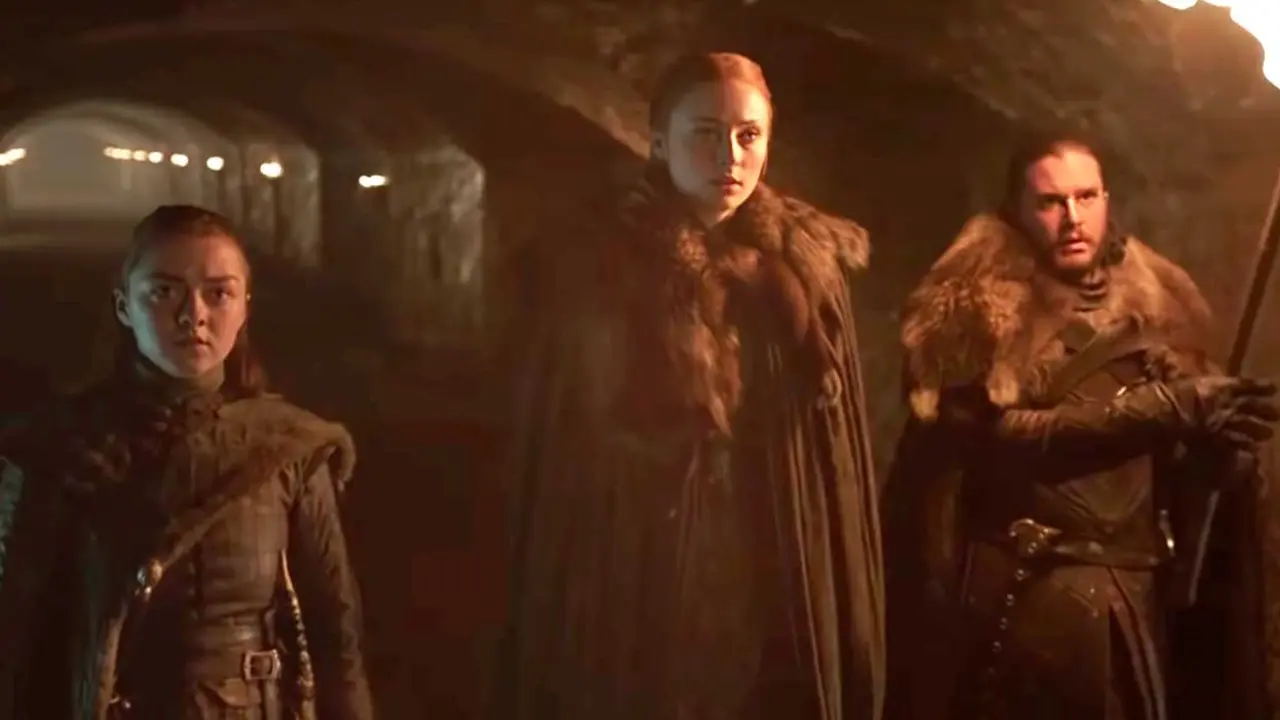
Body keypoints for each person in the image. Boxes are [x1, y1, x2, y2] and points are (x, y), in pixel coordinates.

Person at [496, 51, 885, 720]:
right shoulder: (596, 265)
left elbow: (830, 459)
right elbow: (565, 439)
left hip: (774, 550)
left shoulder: (806, 271)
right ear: (658, 142)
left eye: (748, 135)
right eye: (705, 133)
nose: (729, 156)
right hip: (635, 558)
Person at [881, 132, 1279, 719]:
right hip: (1022, 601)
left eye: (1086, 197)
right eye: (1050, 202)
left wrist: (1216, 456)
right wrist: (1164, 409)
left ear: (1106, 200)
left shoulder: (1160, 311)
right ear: (1017, 211)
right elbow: (996, 438)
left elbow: (1175, 478)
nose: (1072, 218)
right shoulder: (973, 310)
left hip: (1133, 602)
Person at [0, 205, 375, 719]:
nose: (193, 314)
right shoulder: (63, 448)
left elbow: (335, 636)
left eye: (218, 293)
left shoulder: (286, 448)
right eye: (163, 291)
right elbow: (13, 637)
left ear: (244, 308)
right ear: (124, 306)